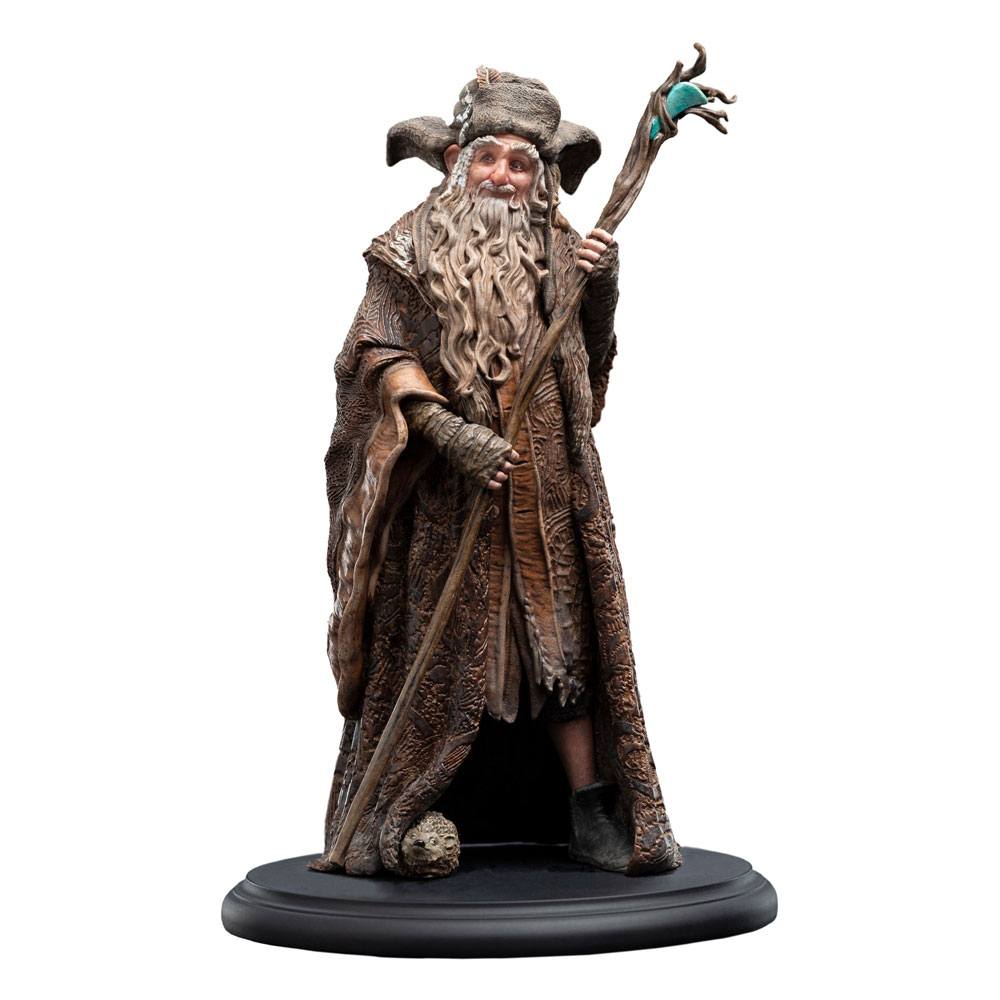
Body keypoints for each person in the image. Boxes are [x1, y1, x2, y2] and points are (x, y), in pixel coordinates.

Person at [313, 68, 681, 877]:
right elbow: (376, 353)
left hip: (549, 493)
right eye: (490, 158)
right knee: (441, 647)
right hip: (451, 500)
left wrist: (601, 287)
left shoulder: (562, 247)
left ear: (540, 174)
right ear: (457, 161)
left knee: (563, 649)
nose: (504, 176)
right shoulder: (408, 246)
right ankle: (405, 802)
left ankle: (590, 809)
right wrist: (447, 431)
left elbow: (588, 368)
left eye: (521, 163)